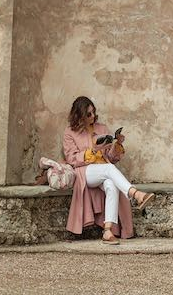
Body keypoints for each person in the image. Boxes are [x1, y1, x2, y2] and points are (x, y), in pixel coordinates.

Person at [62, 95, 155, 244]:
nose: (92, 116)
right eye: (88, 114)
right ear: (79, 115)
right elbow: (71, 158)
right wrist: (93, 151)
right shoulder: (69, 132)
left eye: (93, 112)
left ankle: (107, 231)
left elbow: (111, 158)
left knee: (111, 185)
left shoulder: (101, 128)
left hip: (103, 168)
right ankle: (135, 194)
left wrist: (116, 144)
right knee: (109, 169)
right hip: (85, 172)